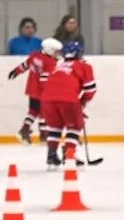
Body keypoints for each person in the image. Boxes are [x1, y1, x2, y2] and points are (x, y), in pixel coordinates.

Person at [39, 39, 96, 168]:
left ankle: (51, 155)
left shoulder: (57, 65)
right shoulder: (84, 66)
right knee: (75, 126)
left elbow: (45, 82)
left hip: (47, 99)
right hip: (68, 99)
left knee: (55, 126)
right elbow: (90, 89)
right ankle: (69, 155)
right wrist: (81, 103)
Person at [8, 36, 61, 145]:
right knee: (43, 113)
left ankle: (25, 130)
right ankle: (43, 135)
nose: (57, 54)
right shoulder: (50, 62)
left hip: (32, 89)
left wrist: (15, 72)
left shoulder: (35, 55)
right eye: (56, 51)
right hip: (42, 91)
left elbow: (24, 65)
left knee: (33, 111)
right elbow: (44, 79)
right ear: (49, 50)